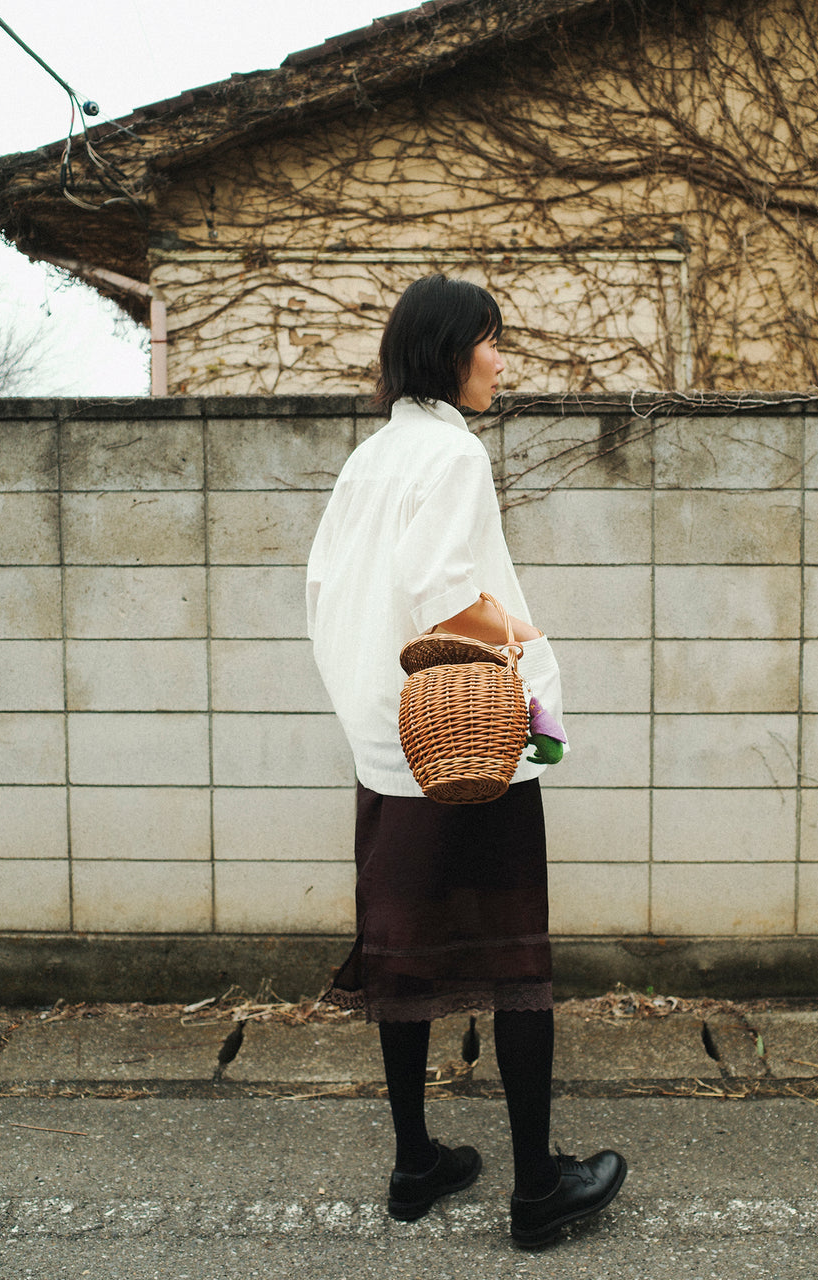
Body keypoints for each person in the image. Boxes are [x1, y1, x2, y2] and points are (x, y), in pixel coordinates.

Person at [306, 273, 626, 1249]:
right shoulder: (449, 452)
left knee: (403, 950)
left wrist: (365, 705)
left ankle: (417, 1163)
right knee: (513, 947)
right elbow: (445, 586)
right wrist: (518, 631)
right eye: (488, 341)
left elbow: (321, 590)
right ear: (448, 349)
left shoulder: (372, 456)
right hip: (471, 732)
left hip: (388, 739)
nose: (499, 358)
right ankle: (537, 1185)